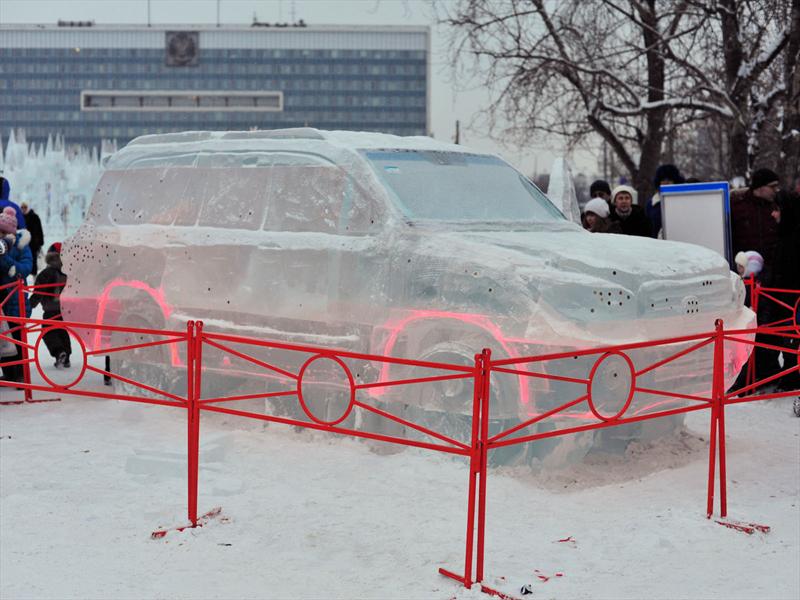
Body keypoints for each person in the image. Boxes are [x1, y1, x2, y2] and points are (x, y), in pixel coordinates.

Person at [730, 168, 780, 284]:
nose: (775, 190)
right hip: (744, 272)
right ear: (760, 186)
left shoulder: (776, 207)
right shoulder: (737, 207)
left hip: (771, 273)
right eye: (772, 187)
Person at [0, 206, 33, 384]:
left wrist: (7, 261)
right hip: (2, 300)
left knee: (17, 338)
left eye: (3, 231)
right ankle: (9, 373)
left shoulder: (21, 245)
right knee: (3, 338)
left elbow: (27, 267)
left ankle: (20, 374)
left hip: (14, 299)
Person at [30, 243, 71, 368]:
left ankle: (59, 352)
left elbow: (38, 291)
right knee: (62, 331)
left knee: (47, 331)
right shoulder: (68, 272)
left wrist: (30, 304)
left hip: (50, 309)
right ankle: (66, 357)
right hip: (65, 310)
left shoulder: (46, 273)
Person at [645, 164, 685, 238]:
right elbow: (647, 229)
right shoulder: (651, 204)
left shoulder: (683, 201)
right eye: (663, 180)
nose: (666, 183)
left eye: (669, 180)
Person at [19, 202, 44, 277]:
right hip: (23, 243)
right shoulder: (20, 217)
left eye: (25, 207)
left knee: (33, 261)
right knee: (23, 260)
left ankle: (34, 278)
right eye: (22, 207)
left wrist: (40, 242)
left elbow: (39, 230)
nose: (23, 209)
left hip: (33, 244)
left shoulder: (34, 217)